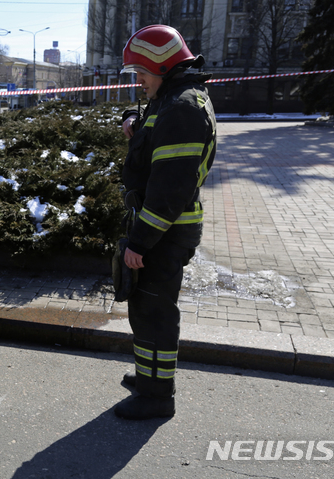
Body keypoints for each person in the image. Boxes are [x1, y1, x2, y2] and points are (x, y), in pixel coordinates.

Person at [114, 24, 217, 420]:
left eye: (141, 72)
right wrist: (131, 119)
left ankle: (157, 397)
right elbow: (152, 126)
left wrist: (140, 242)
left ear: (161, 65)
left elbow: (169, 191)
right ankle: (148, 377)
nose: (138, 81)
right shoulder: (173, 97)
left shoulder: (182, 108)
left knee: (155, 312)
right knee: (145, 308)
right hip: (161, 230)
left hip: (164, 232)